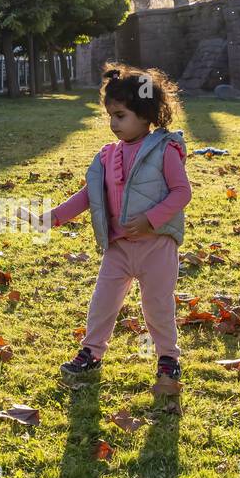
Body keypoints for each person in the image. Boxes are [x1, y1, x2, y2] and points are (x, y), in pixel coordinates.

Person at [23, 63, 191, 382]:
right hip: (118, 248)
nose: (113, 124)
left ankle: (168, 357)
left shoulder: (164, 150)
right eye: (110, 115)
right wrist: (52, 218)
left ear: (146, 114)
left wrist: (150, 220)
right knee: (102, 303)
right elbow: (90, 195)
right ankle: (91, 352)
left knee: (157, 307)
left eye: (121, 115)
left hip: (156, 247)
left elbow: (182, 192)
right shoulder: (107, 156)